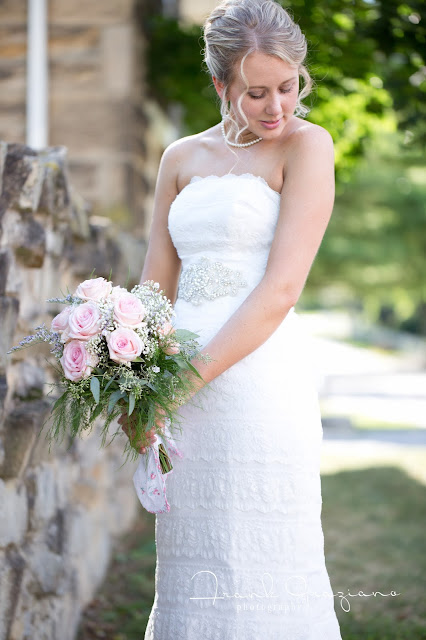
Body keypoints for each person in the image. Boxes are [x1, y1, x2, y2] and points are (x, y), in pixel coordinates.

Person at [119, 0, 343, 637]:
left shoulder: (307, 146)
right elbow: (155, 285)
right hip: (178, 394)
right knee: (195, 566)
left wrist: (178, 385)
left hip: (256, 384)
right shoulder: (180, 157)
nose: (277, 108)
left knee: (263, 561)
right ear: (221, 86)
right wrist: (138, 383)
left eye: (288, 87)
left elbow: (281, 289)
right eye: (256, 93)